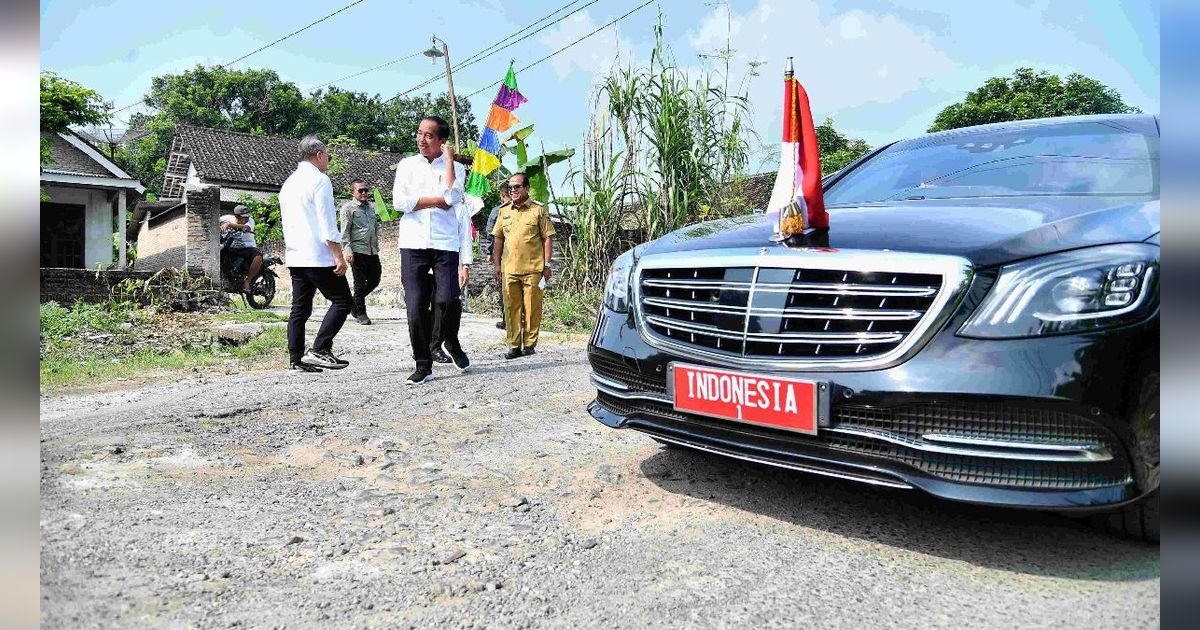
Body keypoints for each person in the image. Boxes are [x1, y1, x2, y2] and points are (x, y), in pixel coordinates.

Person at [392, 115, 472, 384]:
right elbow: (400, 202)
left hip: (444, 244)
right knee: (415, 306)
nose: (421, 139)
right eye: (419, 133)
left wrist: (449, 160)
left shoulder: (456, 168)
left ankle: (451, 340)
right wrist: (435, 200)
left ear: (442, 141)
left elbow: (451, 198)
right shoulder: (406, 165)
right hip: (413, 244)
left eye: (428, 135)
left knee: (448, 300)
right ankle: (422, 364)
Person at [280, 135, 354, 373]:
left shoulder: (288, 183)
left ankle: (295, 360)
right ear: (320, 155)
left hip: (295, 255)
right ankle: (320, 348)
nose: (328, 161)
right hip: (317, 255)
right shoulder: (320, 180)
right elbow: (327, 223)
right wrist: (338, 255)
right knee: (343, 301)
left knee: (300, 308)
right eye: (327, 156)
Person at [491, 172, 554, 360]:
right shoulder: (504, 211)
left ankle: (529, 344)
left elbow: (548, 238)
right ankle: (513, 346)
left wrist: (547, 264)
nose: (513, 190)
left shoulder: (538, 210)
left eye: (517, 186)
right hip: (509, 269)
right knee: (511, 308)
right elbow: (498, 239)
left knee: (532, 307)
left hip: (533, 269)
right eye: (510, 187)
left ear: (527, 188)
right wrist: (496, 264)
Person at [339, 179, 382, 325]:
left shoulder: (370, 208)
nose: (364, 193)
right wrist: (347, 250)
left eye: (366, 190)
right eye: (360, 190)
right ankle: (361, 313)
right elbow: (344, 232)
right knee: (359, 283)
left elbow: (375, 228)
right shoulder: (348, 208)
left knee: (375, 280)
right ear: (353, 192)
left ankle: (353, 303)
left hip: (372, 251)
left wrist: (376, 246)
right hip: (357, 251)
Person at [484, 185, 511, 330]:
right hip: (519, 255)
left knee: (503, 288)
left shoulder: (497, 211)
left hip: (501, 255)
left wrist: (489, 253)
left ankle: (507, 320)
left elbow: (491, 234)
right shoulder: (521, 210)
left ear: (502, 195)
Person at [219, 204, 262, 293]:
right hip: (230, 247)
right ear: (236, 216)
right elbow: (214, 222)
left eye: (247, 217)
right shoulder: (226, 218)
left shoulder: (250, 221)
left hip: (247, 248)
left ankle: (248, 281)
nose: (246, 219)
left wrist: (229, 225)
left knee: (257, 256)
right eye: (243, 217)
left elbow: (246, 227)